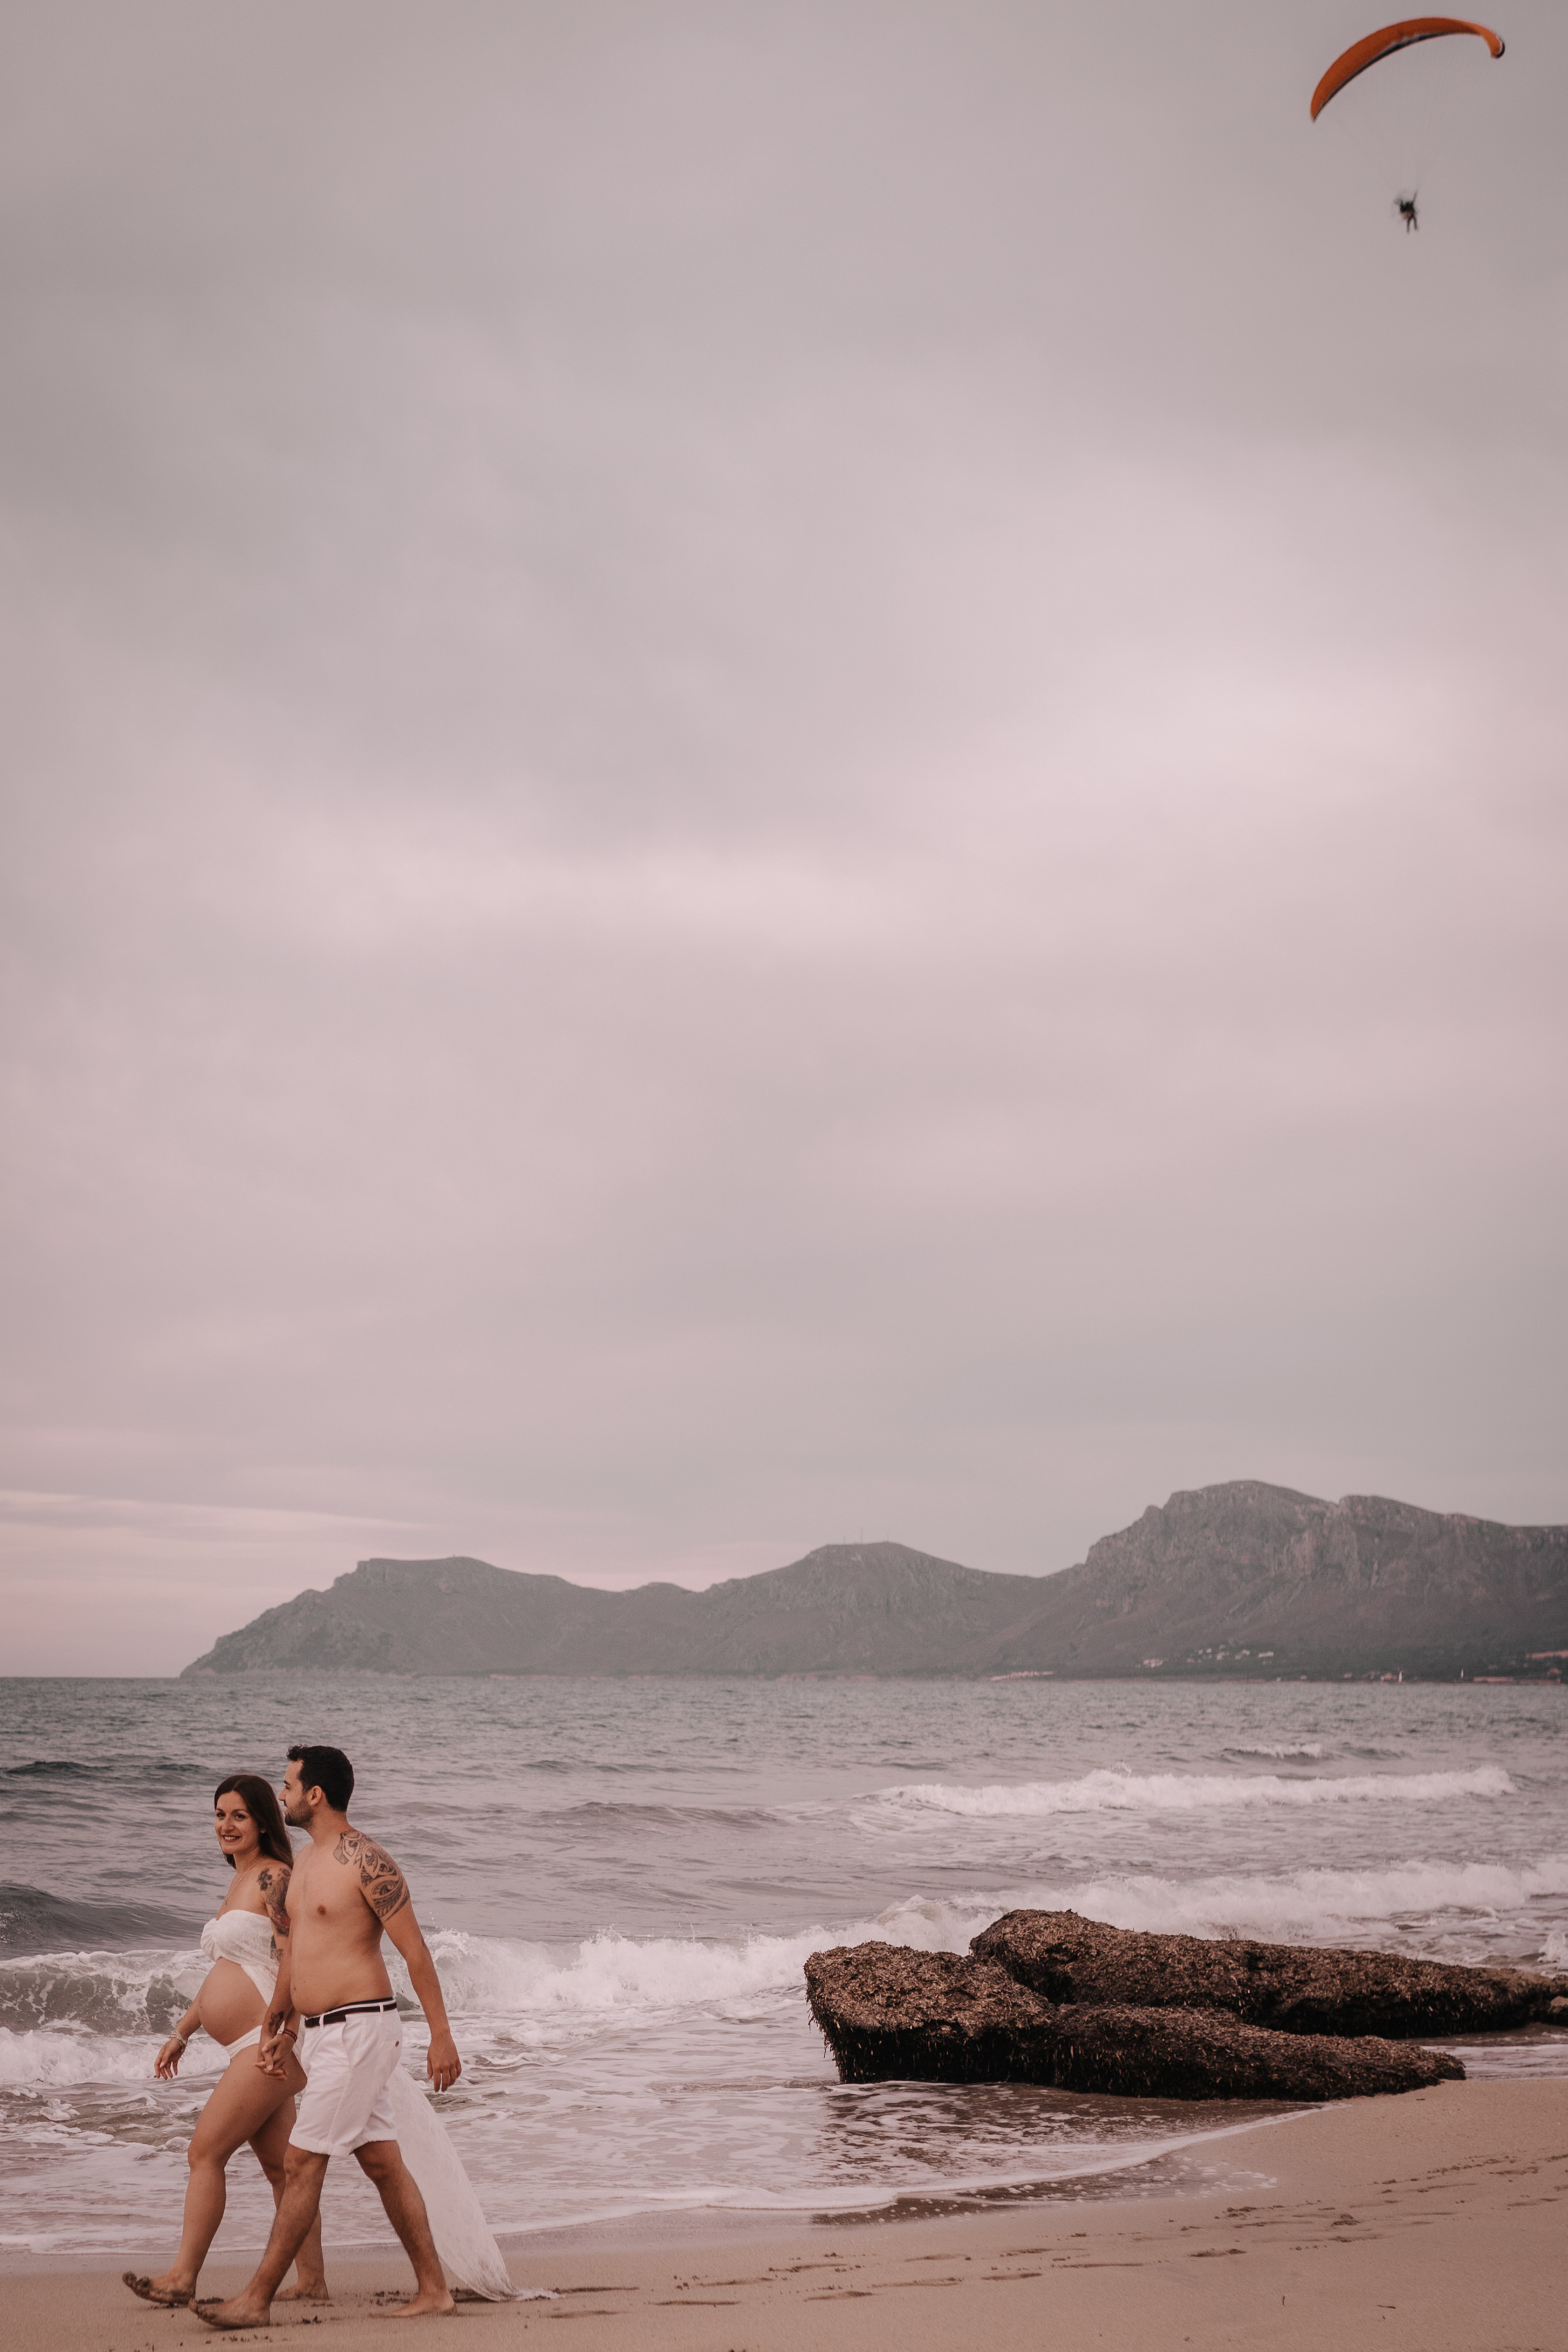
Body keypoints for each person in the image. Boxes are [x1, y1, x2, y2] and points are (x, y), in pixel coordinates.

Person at [195, 1744, 464, 2328]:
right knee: (382, 2163)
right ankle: (435, 2290)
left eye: (289, 1785)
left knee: (300, 2162)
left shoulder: (368, 1861)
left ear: (315, 1795)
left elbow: (416, 1953)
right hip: (321, 2033)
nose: (282, 1795)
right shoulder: (306, 1863)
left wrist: (441, 2036)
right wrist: (282, 2025)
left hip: (360, 2028)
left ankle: (256, 2299)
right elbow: (298, 1955)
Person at [122, 1774, 329, 2309]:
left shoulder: (275, 1877)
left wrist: (282, 2031)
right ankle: (312, 2282)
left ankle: (183, 2276)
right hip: (249, 2043)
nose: (227, 1825)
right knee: (283, 2170)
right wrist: (183, 2032)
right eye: (219, 1815)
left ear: (262, 1821)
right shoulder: (240, 1881)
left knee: (205, 2152)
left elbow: (296, 1961)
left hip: (265, 2043)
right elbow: (231, 1967)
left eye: (239, 1815)